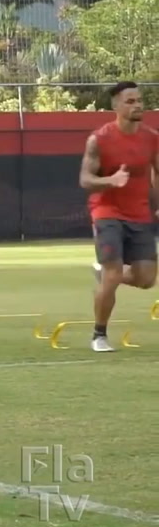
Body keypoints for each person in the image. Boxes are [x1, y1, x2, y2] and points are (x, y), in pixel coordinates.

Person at [81, 80, 159, 352]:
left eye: (140, 100)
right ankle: (99, 335)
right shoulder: (99, 139)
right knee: (113, 275)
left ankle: (102, 271)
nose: (138, 105)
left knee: (146, 279)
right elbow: (85, 179)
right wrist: (110, 180)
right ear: (116, 105)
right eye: (130, 101)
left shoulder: (151, 137)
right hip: (107, 212)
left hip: (139, 213)